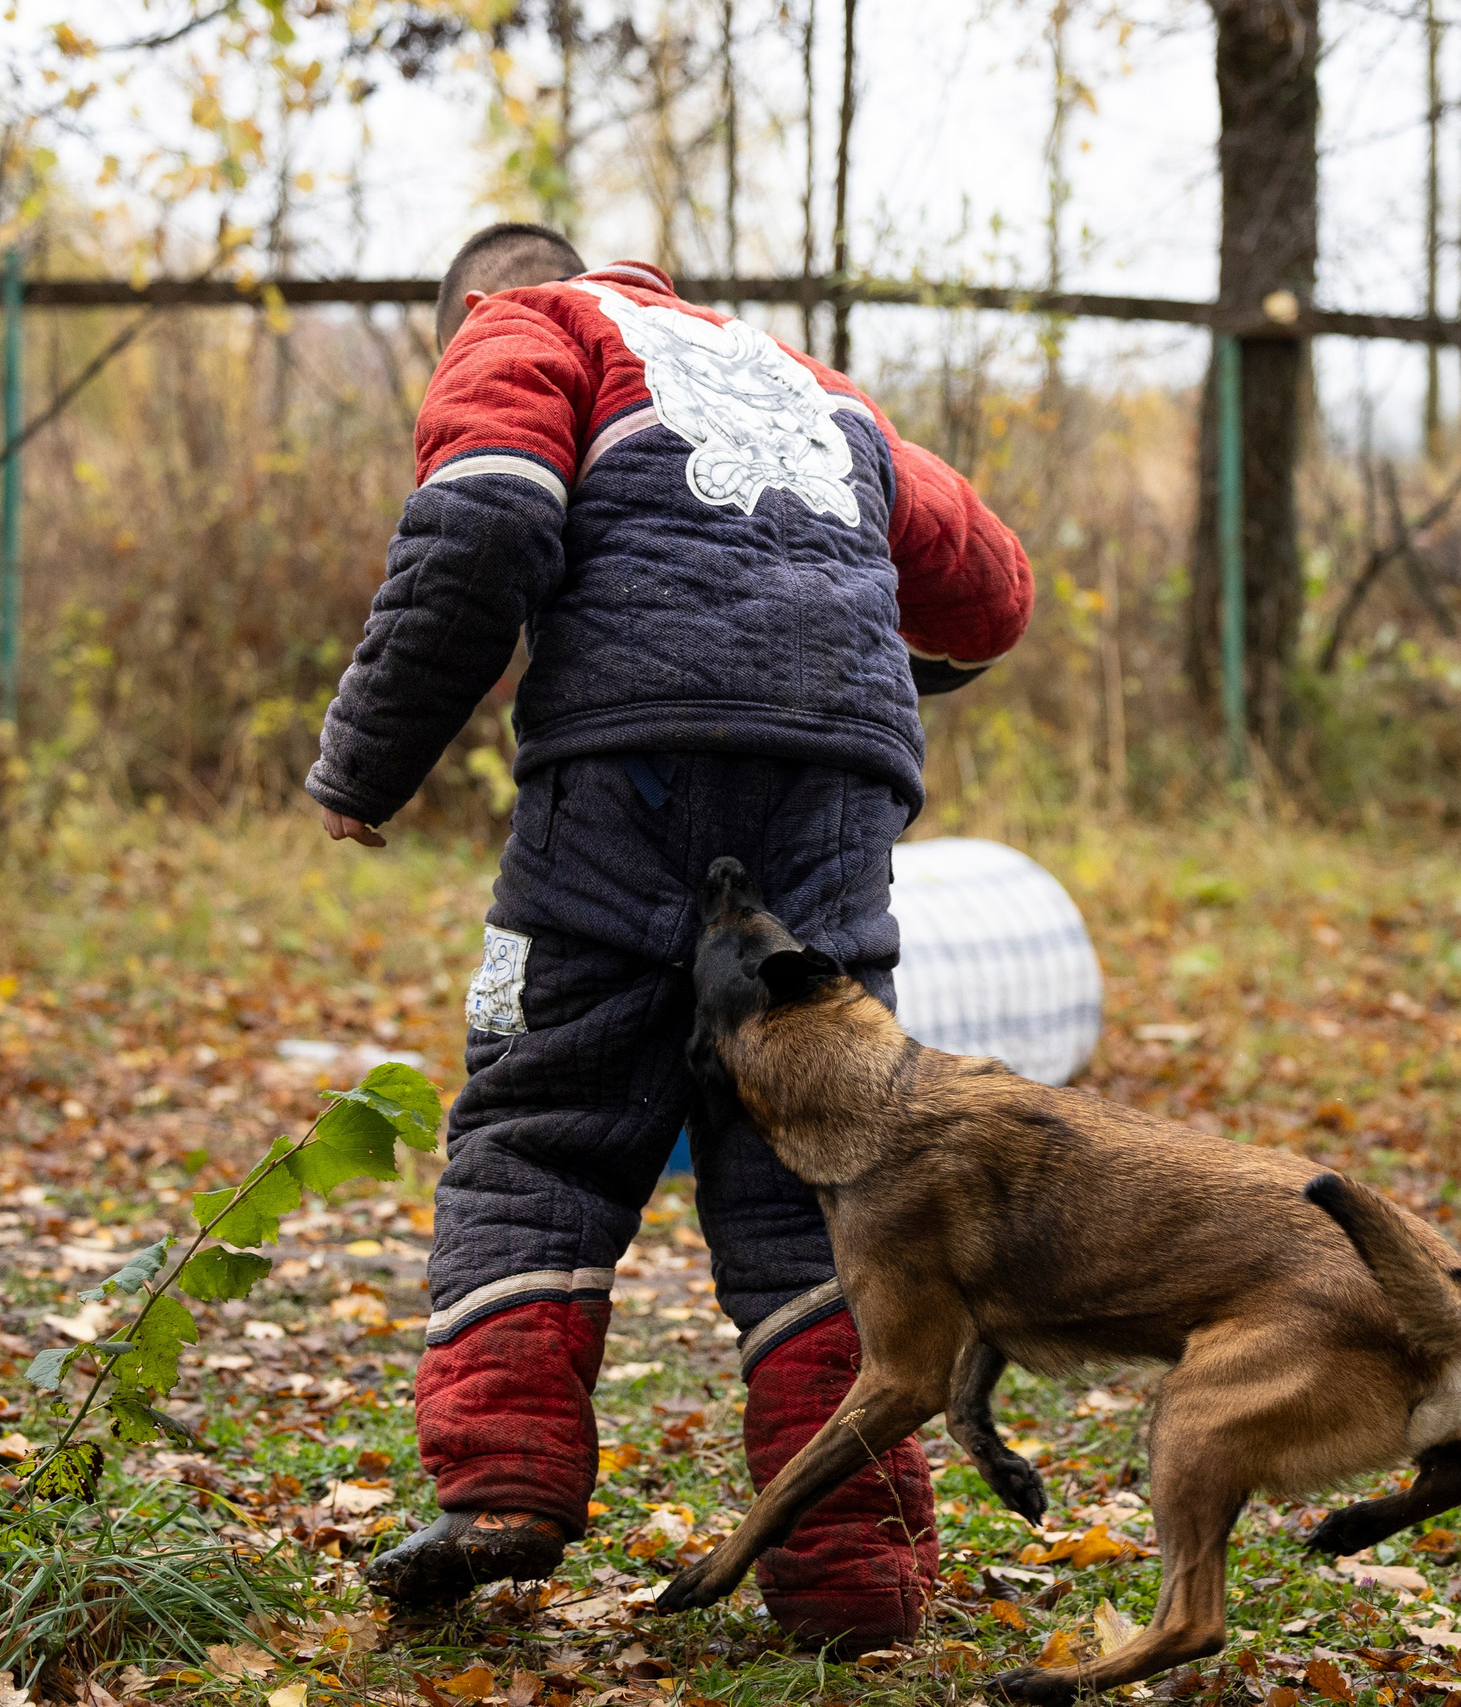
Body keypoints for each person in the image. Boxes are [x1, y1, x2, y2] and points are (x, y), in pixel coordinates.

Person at [307, 222, 1032, 1651]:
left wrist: (362, 765)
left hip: (624, 782)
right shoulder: (808, 380)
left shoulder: (528, 329)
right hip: (835, 796)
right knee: (817, 1168)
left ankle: (502, 1491)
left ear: (476, 304)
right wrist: (834, 656)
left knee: (542, 1122)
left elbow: (489, 521)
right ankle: (856, 1581)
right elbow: (991, 590)